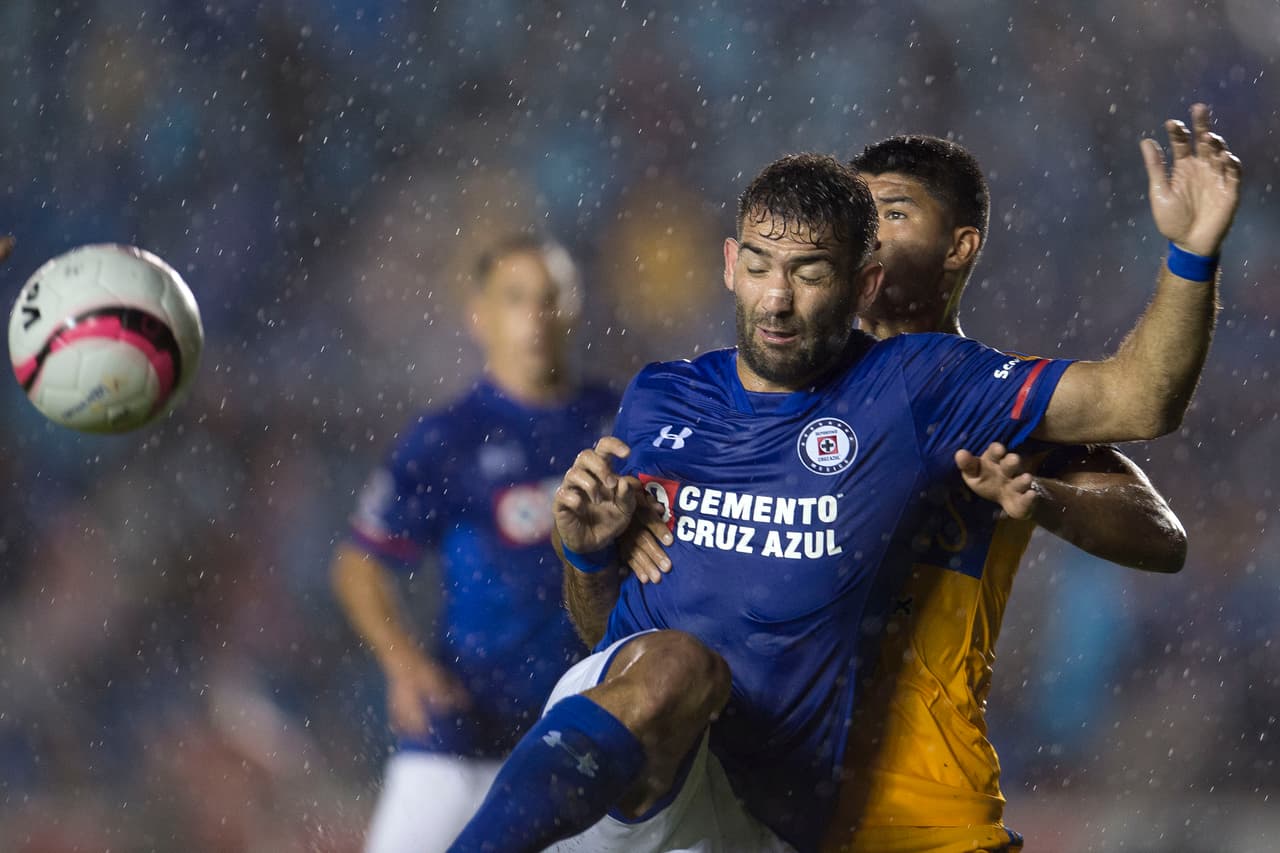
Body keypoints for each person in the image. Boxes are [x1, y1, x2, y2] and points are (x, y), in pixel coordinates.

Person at [448, 105, 1239, 853]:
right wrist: (587, 553)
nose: (875, 232)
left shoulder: (951, 389)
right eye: (763, 262)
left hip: (884, 807)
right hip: (705, 771)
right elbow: (617, 639)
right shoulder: (670, 395)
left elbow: (1151, 467)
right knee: (669, 669)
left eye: (891, 213)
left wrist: (1048, 498)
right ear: (733, 266)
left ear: (949, 248)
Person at [330, 234, 618, 853]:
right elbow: (359, 564)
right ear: (478, 315)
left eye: (550, 297)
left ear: (575, 307)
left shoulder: (619, 423)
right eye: (515, 298)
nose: (535, 316)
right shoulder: (448, 439)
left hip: (585, 736)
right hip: (464, 732)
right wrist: (405, 665)